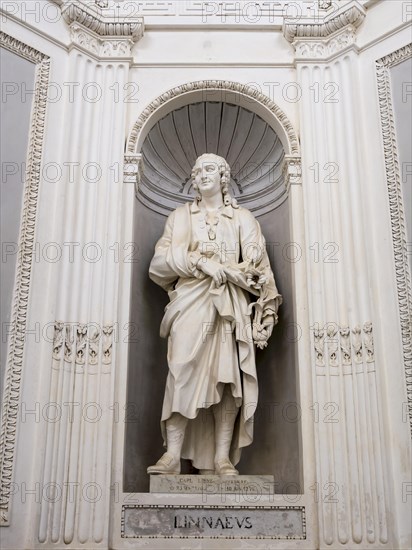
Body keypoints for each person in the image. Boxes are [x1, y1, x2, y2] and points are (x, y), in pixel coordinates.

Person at [147, 153, 282, 476]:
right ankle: (172, 455)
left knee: (226, 380)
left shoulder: (243, 219)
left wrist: (261, 299)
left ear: (223, 177)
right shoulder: (180, 218)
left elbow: (257, 264)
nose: (201, 174)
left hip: (229, 305)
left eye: (209, 169)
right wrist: (198, 263)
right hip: (191, 300)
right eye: (197, 171)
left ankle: (223, 457)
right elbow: (158, 263)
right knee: (181, 370)